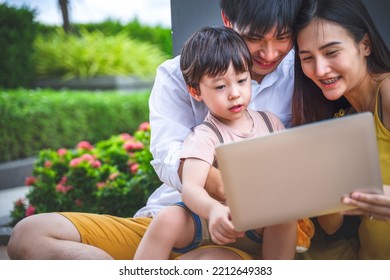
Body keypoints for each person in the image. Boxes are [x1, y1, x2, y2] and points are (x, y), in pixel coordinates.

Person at [7, 0, 303, 260]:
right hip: (173, 220)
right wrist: (214, 184)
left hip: (243, 235)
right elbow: (168, 154)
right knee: (28, 236)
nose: (269, 52)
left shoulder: (304, 72)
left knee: (201, 263)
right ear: (228, 20)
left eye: (283, 37)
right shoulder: (178, 77)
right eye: (254, 37)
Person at [134, 26, 297, 260]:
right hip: (204, 218)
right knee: (167, 218)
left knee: (285, 216)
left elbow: (286, 170)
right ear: (195, 91)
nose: (234, 93)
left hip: (254, 219)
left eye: (242, 81)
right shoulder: (204, 135)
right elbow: (191, 187)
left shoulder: (271, 124)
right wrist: (214, 209)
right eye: (221, 86)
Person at [291, 0, 390, 259]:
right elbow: (331, 224)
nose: (320, 69)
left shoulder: (388, 94)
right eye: (307, 58)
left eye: (331, 52)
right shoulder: (342, 121)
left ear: (365, 45)